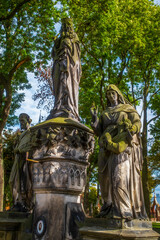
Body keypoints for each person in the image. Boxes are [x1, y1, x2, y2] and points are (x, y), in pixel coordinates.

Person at [90, 84, 148, 220]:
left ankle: (123, 209)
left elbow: (137, 122)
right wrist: (95, 119)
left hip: (120, 144)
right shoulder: (104, 112)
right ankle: (108, 206)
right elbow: (99, 131)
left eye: (112, 93)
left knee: (119, 176)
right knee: (104, 179)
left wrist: (133, 128)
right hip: (105, 146)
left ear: (118, 94)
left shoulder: (127, 109)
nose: (110, 96)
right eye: (108, 94)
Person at [47, 18, 81, 120]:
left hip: (70, 67)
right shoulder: (58, 40)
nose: (66, 27)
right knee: (58, 85)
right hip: (59, 64)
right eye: (64, 25)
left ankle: (69, 107)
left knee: (67, 84)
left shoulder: (75, 39)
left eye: (68, 24)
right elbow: (53, 54)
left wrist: (69, 57)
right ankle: (58, 106)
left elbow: (76, 55)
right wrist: (56, 45)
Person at [9, 113, 32, 212]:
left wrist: (21, 150)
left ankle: (23, 203)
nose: (20, 123)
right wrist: (16, 147)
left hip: (25, 161)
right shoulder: (21, 134)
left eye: (22, 120)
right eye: (19, 121)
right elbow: (16, 147)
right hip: (17, 160)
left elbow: (31, 147)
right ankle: (16, 202)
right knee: (11, 181)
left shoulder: (31, 133)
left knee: (23, 183)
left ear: (28, 120)